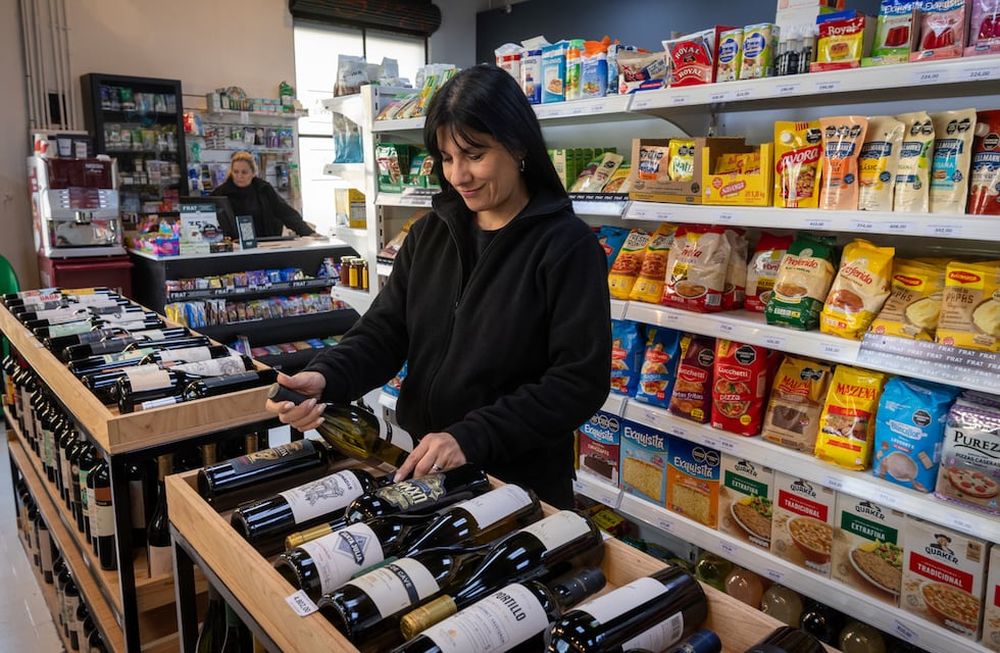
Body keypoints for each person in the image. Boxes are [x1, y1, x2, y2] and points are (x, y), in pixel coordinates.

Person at [266, 65, 611, 507]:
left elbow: (578, 381)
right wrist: (326, 376)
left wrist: (472, 436)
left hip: (516, 486)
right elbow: (385, 332)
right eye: (447, 158)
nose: (458, 175)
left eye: (474, 155)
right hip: (424, 466)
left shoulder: (567, 246)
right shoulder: (431, 233)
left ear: (518, 145)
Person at [211, 151, 316, 238]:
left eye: (244, 172)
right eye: (235, 172)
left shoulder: (263, 189)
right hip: (234, 246)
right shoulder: (220, 193)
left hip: (266, 243)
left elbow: (286, 212)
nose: (239, 176)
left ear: (253, 173)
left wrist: (308, 232)